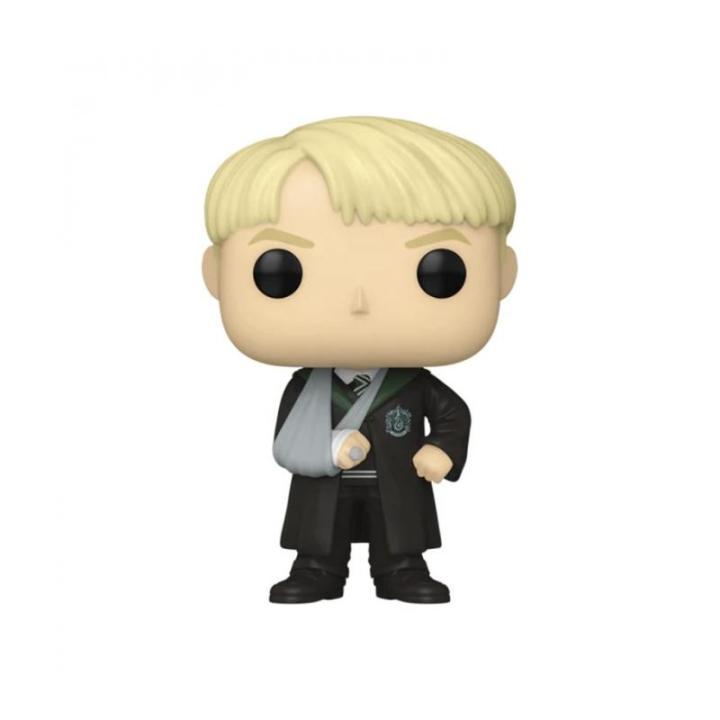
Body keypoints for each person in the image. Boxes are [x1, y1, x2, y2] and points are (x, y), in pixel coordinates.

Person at [201, 117, 517, 603]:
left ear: (502, 274)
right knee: (320, 537)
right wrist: (329, 448)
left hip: (397, 482)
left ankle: (401, 570)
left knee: (399, 537)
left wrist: (443, 449)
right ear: (217, 275)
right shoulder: (307, 387)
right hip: (326, 484)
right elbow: (288, 441)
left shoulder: (414, 384)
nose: (359, 302)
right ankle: (317, 570)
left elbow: (454, 414)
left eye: (439, 272)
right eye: (281, 272)